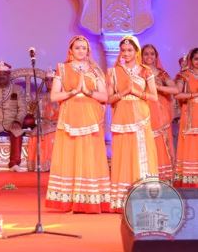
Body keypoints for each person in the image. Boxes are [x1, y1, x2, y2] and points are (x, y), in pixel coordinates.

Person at [45, 35, 111, 213]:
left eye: (84, 48)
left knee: (89, 155)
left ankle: (89, 198)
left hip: (91, 117)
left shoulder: (95, 70)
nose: (81, 51)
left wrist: (87, 92)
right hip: (70, 117)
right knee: (70, 154)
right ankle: (69, 199)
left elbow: (104, 96)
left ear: (88, 50)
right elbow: (54, 96)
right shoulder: (62, 68)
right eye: (77, 48)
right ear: (71, 50)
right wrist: (73, 91)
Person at [107, 35, 158, 212]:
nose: (126, 53)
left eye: (129, 50)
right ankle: (122, 199)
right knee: (123, 154)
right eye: (123, 50)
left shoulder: (146, 71)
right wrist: (124, 92)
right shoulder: (113, 71)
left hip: (141, 118)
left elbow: (154, 96)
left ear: (136, 51)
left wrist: (136, 92)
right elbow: (108, 99)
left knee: (141, 154)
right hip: (122, 118)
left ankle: (144, 198)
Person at [142, 43, 177, 182]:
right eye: (146, 54)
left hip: (161, 113)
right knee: (146, 143)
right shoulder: (138, 72)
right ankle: (148, 175)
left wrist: (157, 87)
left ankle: (163, 178)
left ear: (156, 56)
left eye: (152, 54)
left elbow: (175, 89)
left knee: (162, 144)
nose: (149, 56)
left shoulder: (162, 74)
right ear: (141, 56)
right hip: (144, 112)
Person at [26, 68, 59, 172]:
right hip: (44, 123)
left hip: (58, 124)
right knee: (38, 134)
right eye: (47, 80)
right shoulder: (39, 96)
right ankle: (42, 165)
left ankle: (55, 165)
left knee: (52, 134)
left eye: (52, 80)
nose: (49, 82)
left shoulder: (61, 96)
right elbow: (33, 113)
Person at [174, 47, 198, 188]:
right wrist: (194, 95)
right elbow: (177, 94)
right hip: (190, 115)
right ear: (191, 60)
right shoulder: (184, 75)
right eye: (196, 59)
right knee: (190, 145)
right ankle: (190, 182)